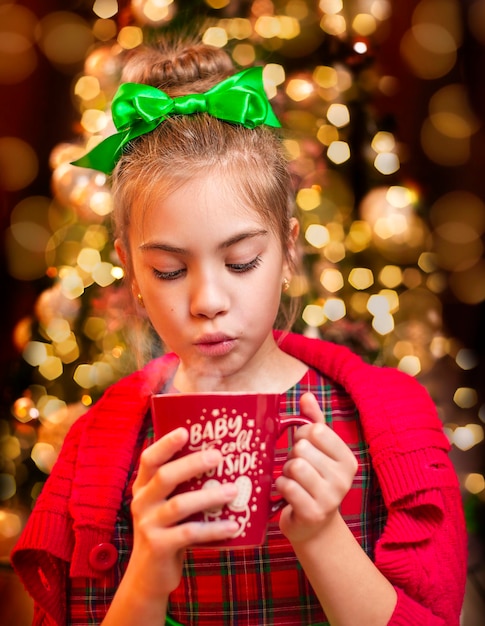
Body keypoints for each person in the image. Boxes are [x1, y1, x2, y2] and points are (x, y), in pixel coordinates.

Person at [11, 37, 467, 626]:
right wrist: (147, 574)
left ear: (288, 249)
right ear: (130, 269)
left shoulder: (390, 423)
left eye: (242, 261)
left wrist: (323, 536)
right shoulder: (95, 450)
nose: (208, 302)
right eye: (170, 270)